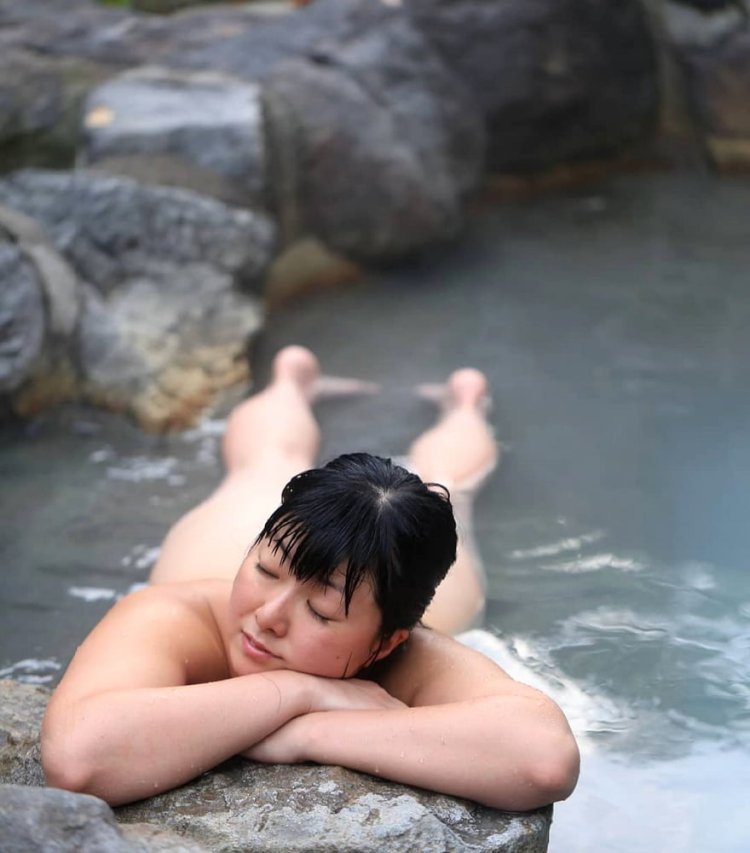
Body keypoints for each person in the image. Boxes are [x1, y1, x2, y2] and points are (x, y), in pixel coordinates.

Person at [41, 346, 580, 809]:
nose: (267, 617)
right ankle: (292, 378)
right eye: (264, 571)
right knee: (266, 463)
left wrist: (307, 732)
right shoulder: (174, 616)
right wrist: (300, 689)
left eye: (321, 613)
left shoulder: (409, 653)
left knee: (447, 487)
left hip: (407, 593)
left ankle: (466, 404)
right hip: (208, 558)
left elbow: (542, 761)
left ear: (385, 642)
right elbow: (79, 761)